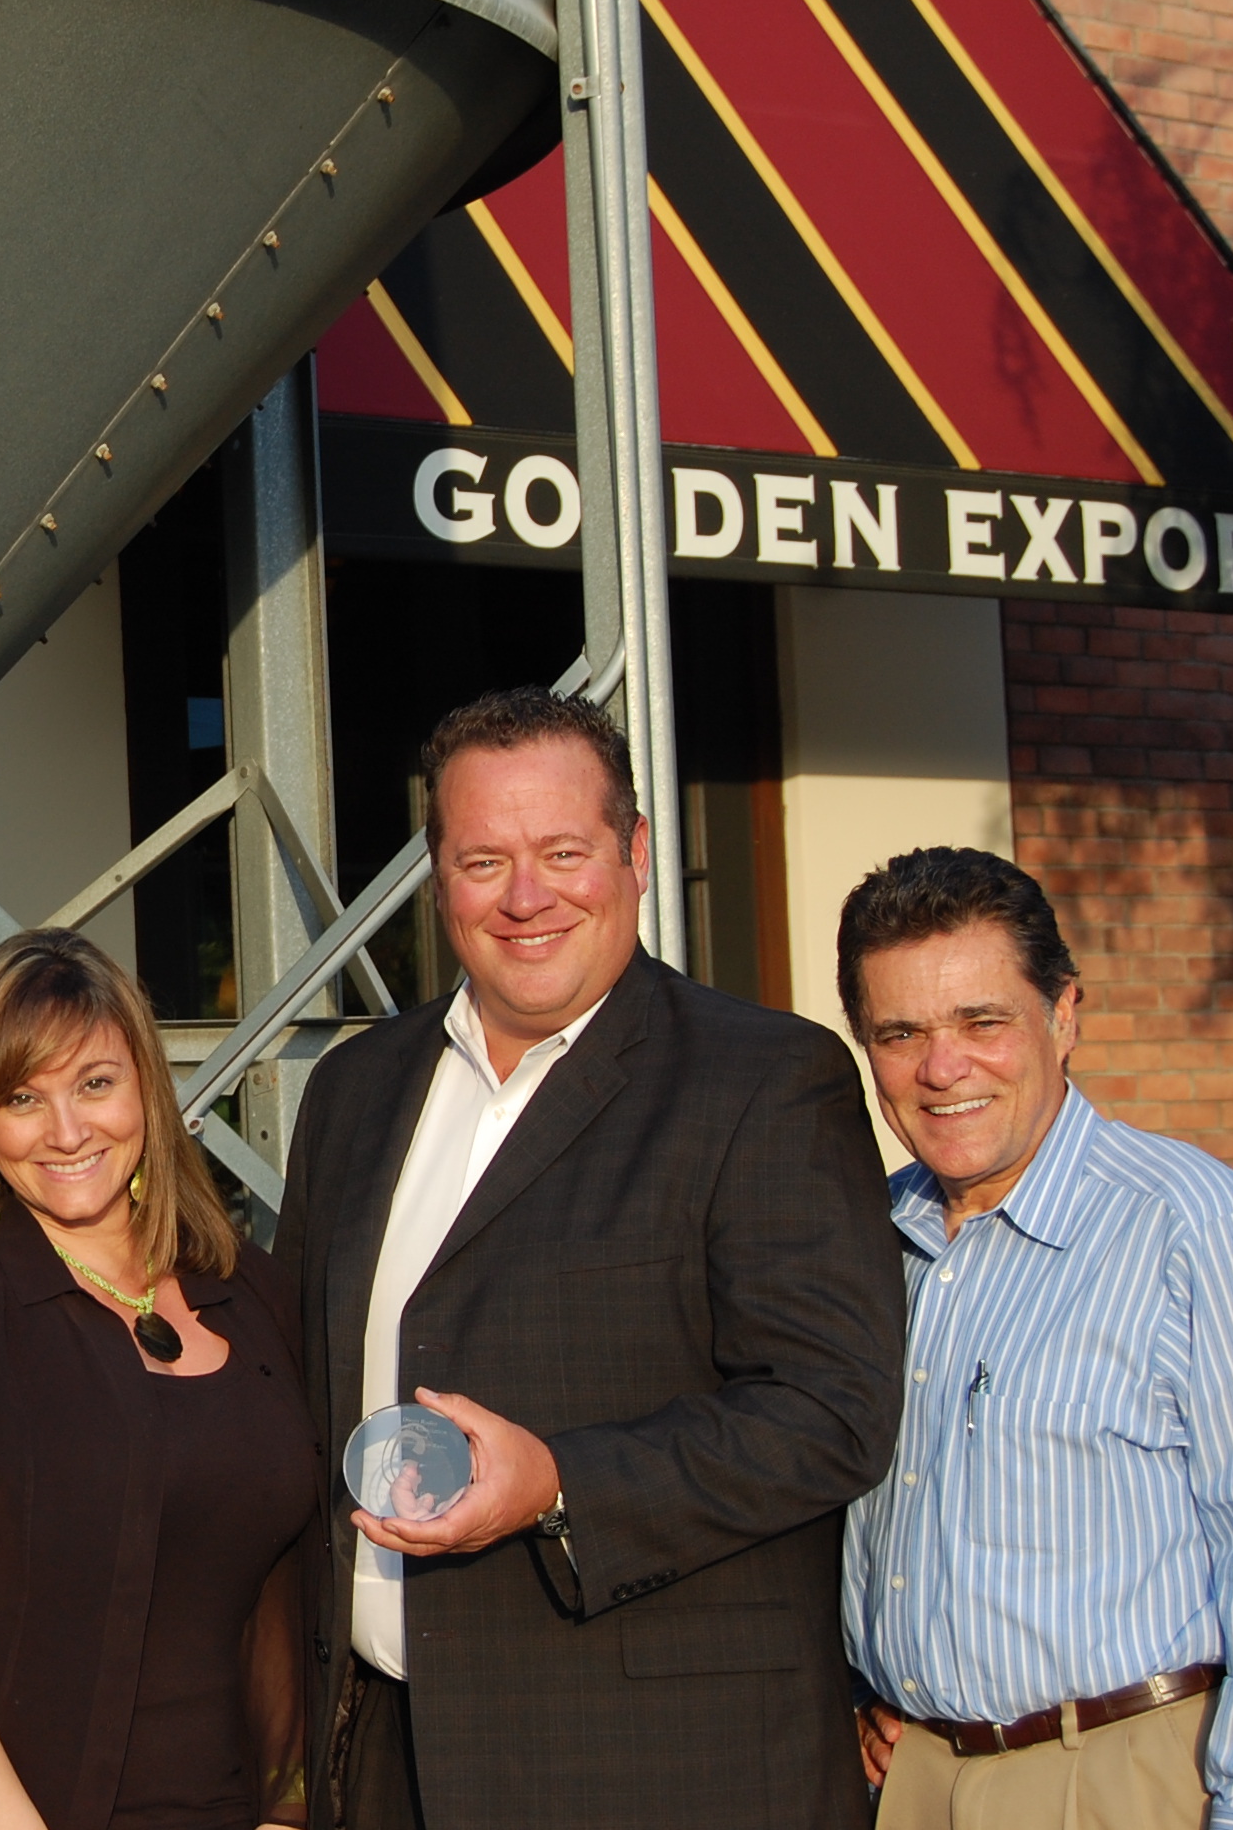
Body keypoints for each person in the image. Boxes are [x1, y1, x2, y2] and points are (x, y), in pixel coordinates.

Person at [275, 686, 906, 1830]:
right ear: (437, 875)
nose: (524, 896)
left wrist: (559, 1481)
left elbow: (830, 1409)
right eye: (482, 860)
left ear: (635, 853)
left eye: (562, 852)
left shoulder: (762, 1078)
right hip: (381, 1763)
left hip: (652, 1768)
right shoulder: (352, 1092)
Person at [835, 847, 1233, 1830]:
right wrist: (852, 1689)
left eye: (982, 1021)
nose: (942, 1067)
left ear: (1063, 1014)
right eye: (900, 1033)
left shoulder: (1197, 1231)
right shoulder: (862, 1238)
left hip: (1129, 1781)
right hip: (912, 1786)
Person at [0, 929, 313, 1830]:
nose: (66, 1132)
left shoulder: (253, 1291)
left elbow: (295, 1582)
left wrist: (288, 1809)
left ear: (146, 1090)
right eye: (23, 1098)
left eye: (96, 1084)